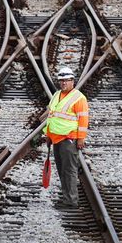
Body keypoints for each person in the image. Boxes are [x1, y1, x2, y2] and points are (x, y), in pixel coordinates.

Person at [43, 67, 89, 208]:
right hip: (56, 138)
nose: (64, 83)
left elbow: (83, 119)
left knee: (69, 170)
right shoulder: (56, 95)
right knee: (62, 168)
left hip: (69, 139)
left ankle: (71, 201)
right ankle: (66, 198)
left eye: (67, 80)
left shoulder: (79, 98)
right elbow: (52, 116)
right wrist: (49, 135)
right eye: (61, 80)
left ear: (72, 81)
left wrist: (80, 138)